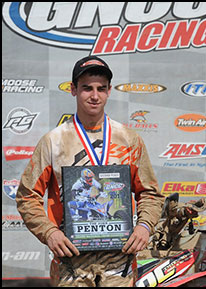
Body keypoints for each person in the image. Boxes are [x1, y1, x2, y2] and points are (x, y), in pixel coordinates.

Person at [16, 55, 166, 286]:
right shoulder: (53, 141)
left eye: (101, 89)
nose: (95, 96)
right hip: (71, 263)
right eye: (87, 88)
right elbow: (27, 196)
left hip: (120, 261)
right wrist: (49, 233)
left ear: (108, 92)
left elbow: (150, 193)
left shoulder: (128, 139)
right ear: (73, 90)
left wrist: (145, 226)